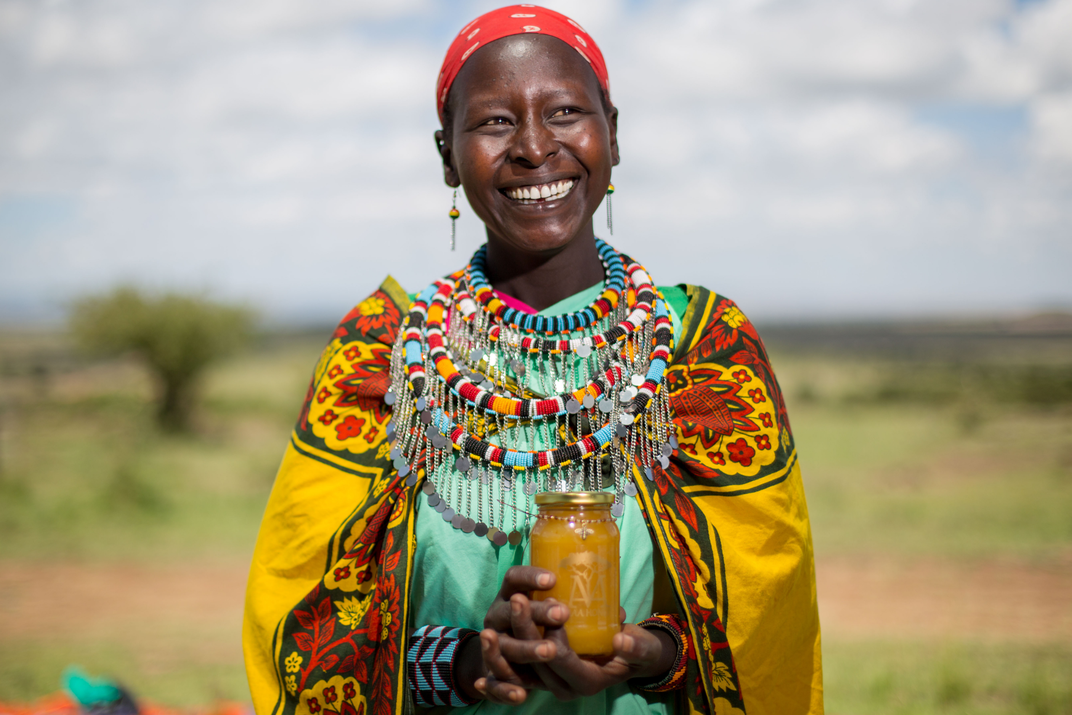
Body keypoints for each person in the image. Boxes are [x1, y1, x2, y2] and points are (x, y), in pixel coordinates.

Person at [243, 6, 822, 715]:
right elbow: (303, 615)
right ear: (446, 156)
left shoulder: (700, 347)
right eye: (494, 122)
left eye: (566, 111)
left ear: (612, 131)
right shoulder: (385, 352)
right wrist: (460, 662)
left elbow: (768, 612)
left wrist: (654, 653)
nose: (534, 147)